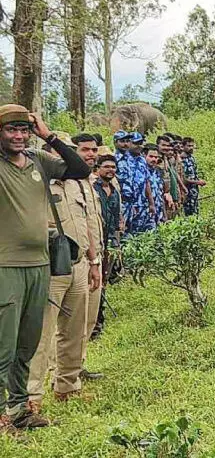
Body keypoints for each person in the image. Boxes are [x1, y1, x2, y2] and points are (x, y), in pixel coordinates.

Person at [0, 106, 90, 431]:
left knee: (27, 342)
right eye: (11, 130)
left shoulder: (39, 159)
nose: (19, 136)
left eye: (24, 130)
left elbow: (80, 169)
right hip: (6, 266)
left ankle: (20, 409)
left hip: (40, 264)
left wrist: (48, 135)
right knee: (4, 344)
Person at [27, 133, 101, 416]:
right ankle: (32, 395)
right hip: (50, 266)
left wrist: (93, 260)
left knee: (75, 330)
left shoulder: (76, 184)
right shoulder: (36, 180)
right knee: (42, 333)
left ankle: (67, 386)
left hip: (79, 263)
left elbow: (87, 223)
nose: (64, 157)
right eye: (60, 152)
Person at [70, 133, 105, 380]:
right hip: (76, 260)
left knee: (89, 318)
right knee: (72, 322)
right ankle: (62, 372)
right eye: (84, 150)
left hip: (96, 257)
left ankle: (78, 366)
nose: (90, 155)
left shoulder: (88, 182)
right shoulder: (65, 183)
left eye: (93, 150)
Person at [93, 154, 122, 338]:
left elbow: (117, 218)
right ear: (98, 168)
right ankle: (93, 325)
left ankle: (99, 321)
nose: (110, 170)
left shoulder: (114, 191)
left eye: (113, 167)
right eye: (107, 167)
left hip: (110, 241)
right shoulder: (92, 189)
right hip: (95, 240)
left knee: (104, 281)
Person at [181, 137, 206, 216]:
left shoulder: (192, 158)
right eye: (188, 146)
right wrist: (198, 182)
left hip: (194, 191)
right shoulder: (181, 159)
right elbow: (183, 179)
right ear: (183, 146)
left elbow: (194, 174)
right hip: (186, 192)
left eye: (192, 146)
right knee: (188, 214)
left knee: (195, 213)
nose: (191, 148)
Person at [144, 144, 166, 227]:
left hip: (158, 212)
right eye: (151, 156)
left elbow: (160, 194)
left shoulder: (157, 172)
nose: (154, 159)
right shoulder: (141, 172)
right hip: (146, 213)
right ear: (144, 155)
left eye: (156, 157)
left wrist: (164, 214)